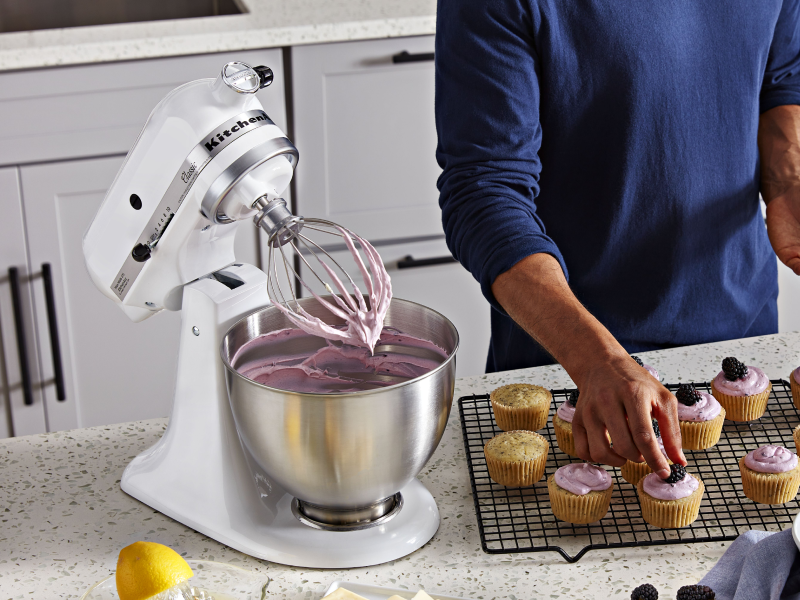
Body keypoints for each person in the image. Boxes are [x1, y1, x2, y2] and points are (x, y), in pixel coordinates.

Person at [435, 0, 800, 479]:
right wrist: (595, 360)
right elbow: (484, 193)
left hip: (743, 346)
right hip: (575, 371)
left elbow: (781, 79)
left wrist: (789, 182)